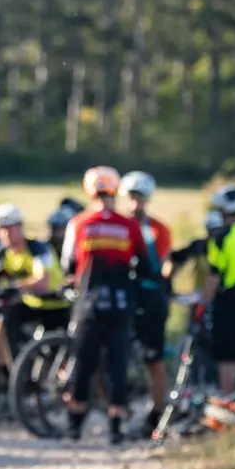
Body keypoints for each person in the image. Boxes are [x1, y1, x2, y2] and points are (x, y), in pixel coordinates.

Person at [60, 167, 155, 445]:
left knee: (83, 362)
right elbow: (145, 266)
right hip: (120, 304)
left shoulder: (79, 223)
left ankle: (75, 423)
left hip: (88, 304)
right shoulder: (129, 226)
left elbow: (68, 263)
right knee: (117, 364)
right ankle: (115, 425)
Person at [0, 202, 70, 381]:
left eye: (10, 228)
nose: (5, 234)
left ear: (20, 227)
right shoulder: (2, 250)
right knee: (2, 324)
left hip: (55, 305)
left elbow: (42, 281)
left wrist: (13, 287)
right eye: (0, 229)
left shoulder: (37, 248)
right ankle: (14, 374)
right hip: (31, 303)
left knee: (59, 359)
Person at [118, 170, 172, 438]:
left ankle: (157, 414)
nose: (135, 204)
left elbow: (161, 263)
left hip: (150, 298)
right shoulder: (117, 226)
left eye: (140, 198)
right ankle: (119, 411)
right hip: (123, 296)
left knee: (154, 359)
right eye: (131, 198)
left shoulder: (158, 229)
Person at [200, 185, 235, 394]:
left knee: (226, 353)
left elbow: (215, 274)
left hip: (228, 298)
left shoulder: (221, 236)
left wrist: (202, 303)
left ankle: (228, 396)